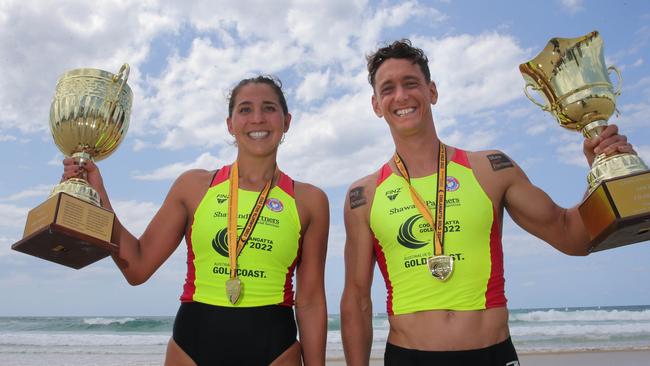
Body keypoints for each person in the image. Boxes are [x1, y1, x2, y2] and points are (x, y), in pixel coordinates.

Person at [339, 39, 636, 366]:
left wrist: (603, 173)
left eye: (411, 83)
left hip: (492, 354)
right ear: (376, 105)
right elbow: (356, 300)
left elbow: (572, 236)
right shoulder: (363, 196)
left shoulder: (490, 168)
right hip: (409, 357)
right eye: (388, 89)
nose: (401, 96)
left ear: (432, 92)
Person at [63, 76, 329, 366]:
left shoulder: (309, 200)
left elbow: (311, 301)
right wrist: (99, 195)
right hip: (192, 349)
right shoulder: (193, 186)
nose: (257, 118)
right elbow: (137, 267)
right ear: (230, 124)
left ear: (286, 121)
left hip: (275, 350)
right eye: (244, 109)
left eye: (268, 108)